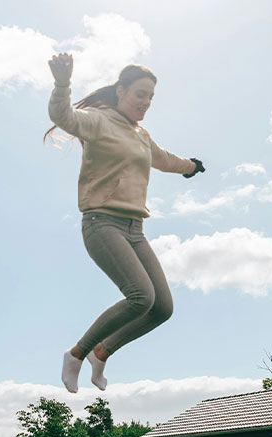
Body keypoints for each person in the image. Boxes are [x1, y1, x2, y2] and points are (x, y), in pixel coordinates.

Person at [46, 53, 205, 393]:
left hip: (135, 229)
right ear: (120, 91)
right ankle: (77, 354)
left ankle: (102, 352)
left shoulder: (141, 135)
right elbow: (63, 116)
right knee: (140, 297)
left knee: (162, 307)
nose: (145, 103)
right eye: (139, 94)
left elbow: (162, 159)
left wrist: (189, 166)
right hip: (102, 223)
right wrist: (62, 84)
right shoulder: (98, 121)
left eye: (150, 97)